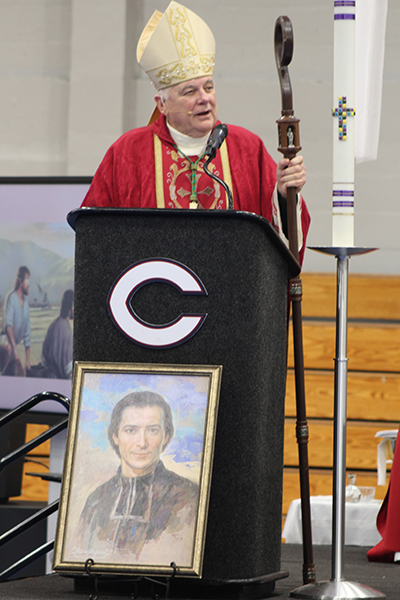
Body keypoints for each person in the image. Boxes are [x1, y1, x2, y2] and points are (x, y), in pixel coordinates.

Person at [81, 1, 310, 264]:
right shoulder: (128, 154)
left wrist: (282, 195)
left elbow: (281, 248)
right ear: (162, 104)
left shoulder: (247, 149)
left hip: (233, 297)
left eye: (209, 87)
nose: (204, 99)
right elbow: (94, 237)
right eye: (190, 92)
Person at [79, 391, 199, 562]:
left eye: (152, 430)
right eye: (131, 430)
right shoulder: (96, 501)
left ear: (165, 437)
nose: (142, 443)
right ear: (115, 436)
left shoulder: (188, 497)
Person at [2, 266, 31, 376]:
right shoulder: (11, 298)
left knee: (22, 373)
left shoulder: (26, 305)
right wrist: (15, 349)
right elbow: (8, 325)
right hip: (6, 343)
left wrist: (28, 360)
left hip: (14, 347)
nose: (29, 283)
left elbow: (27, 335)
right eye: (27, 278)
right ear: (21, 281)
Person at [41, 289, 74, 379]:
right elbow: (67, 368)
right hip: (59, 381)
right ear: (70, 306)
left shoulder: (53, 324)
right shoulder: (66, 331)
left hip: (49, 378)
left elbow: (44, 355)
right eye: (74, 305)